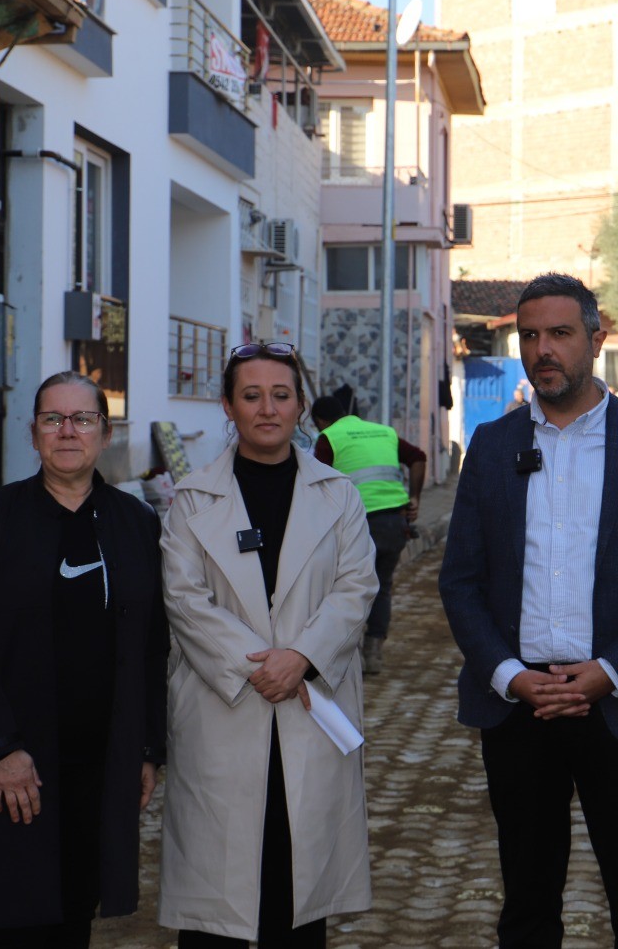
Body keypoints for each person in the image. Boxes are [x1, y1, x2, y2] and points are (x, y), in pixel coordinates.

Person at [439, 273, 618, 949]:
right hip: (518, 709)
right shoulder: (492, 448)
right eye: (529, 336)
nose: (542, 349)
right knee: (526, 906)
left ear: (596, 337)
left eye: (559, 333)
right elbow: (460, 581)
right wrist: (508, 675)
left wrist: (608, 671)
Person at [0, 371, 168, 947]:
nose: (67, 431)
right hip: (20, 763)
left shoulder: (137, 525)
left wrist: (148, 748)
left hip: (100, 762)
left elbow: (154, 643)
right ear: (33, 434)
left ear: (104, 435)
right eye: (52, 419)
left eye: (82, 419)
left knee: (76, 910)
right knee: (19, 916)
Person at [158, 341, 377, 948]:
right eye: (251, 396)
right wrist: (260, 666)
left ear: (300, 405)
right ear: (228, 406)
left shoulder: (339, 495)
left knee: (297, 890)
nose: (267, 409)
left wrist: (302, 658)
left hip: (309, 711)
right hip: (225, 711)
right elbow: (184, 599)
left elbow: (358, 586)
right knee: (216, 906)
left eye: (281, 395)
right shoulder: (192, 500)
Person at [310, 393, 426, 674]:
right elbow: (419, 457)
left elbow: (317, 483)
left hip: (358, 526)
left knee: (348, 589)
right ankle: (374, 653)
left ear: (320, 421)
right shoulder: (384, 432)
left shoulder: (329, 438)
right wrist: (415, 499)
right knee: (381, 586)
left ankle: (350, 654)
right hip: (395, 525)